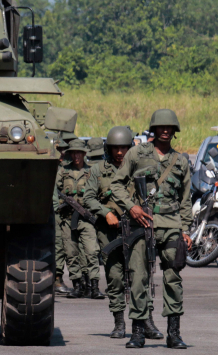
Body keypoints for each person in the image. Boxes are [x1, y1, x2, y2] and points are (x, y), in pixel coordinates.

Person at [111, 110, 192, 349]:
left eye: (170, 127)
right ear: (154, 129)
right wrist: (131, 207)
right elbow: (117, 184)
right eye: (161, 127)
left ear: (175, 131)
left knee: (173, 278)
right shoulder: (137, 153)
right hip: (142, 224)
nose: (165, 130)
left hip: (171, 226)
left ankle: (174, 333)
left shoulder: (181, 161)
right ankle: (137, 332)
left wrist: (186, 229)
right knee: (138, 278)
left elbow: (185, 199)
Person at [83, 127, 163, 340]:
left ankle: (146, 321)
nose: (120, 152)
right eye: (115, 148)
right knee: (115, 276)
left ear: (130, 148)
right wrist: (105, 212)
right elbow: (88, 198)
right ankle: (119, 322)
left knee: (141, 276)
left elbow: (155, 194)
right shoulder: (98, 170)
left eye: (124, 148)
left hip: (137, 229)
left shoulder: (140, 168)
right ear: (109, 149)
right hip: (110, 231)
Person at [53, 139, 103, 299]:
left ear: (84, 154)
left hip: (86, 218)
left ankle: (94, 286)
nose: (76, 156)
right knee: (71, 252)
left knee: (91, 251)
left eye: (79, 153)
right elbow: (55, 191)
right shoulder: (62, 171)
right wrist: (58, 206)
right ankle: (78, 285)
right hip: (67, 218)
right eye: (73, 153)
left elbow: (99, 192)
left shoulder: (92, 171)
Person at [54, 138, 72, 295]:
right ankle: (56, 279)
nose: (62, 153)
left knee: (61, 245)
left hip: (59, 211)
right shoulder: (49, 166)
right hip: (50, 211)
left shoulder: (63, 168)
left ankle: (57, 277)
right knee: (57, 245)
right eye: (59, 150)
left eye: (63, 151)